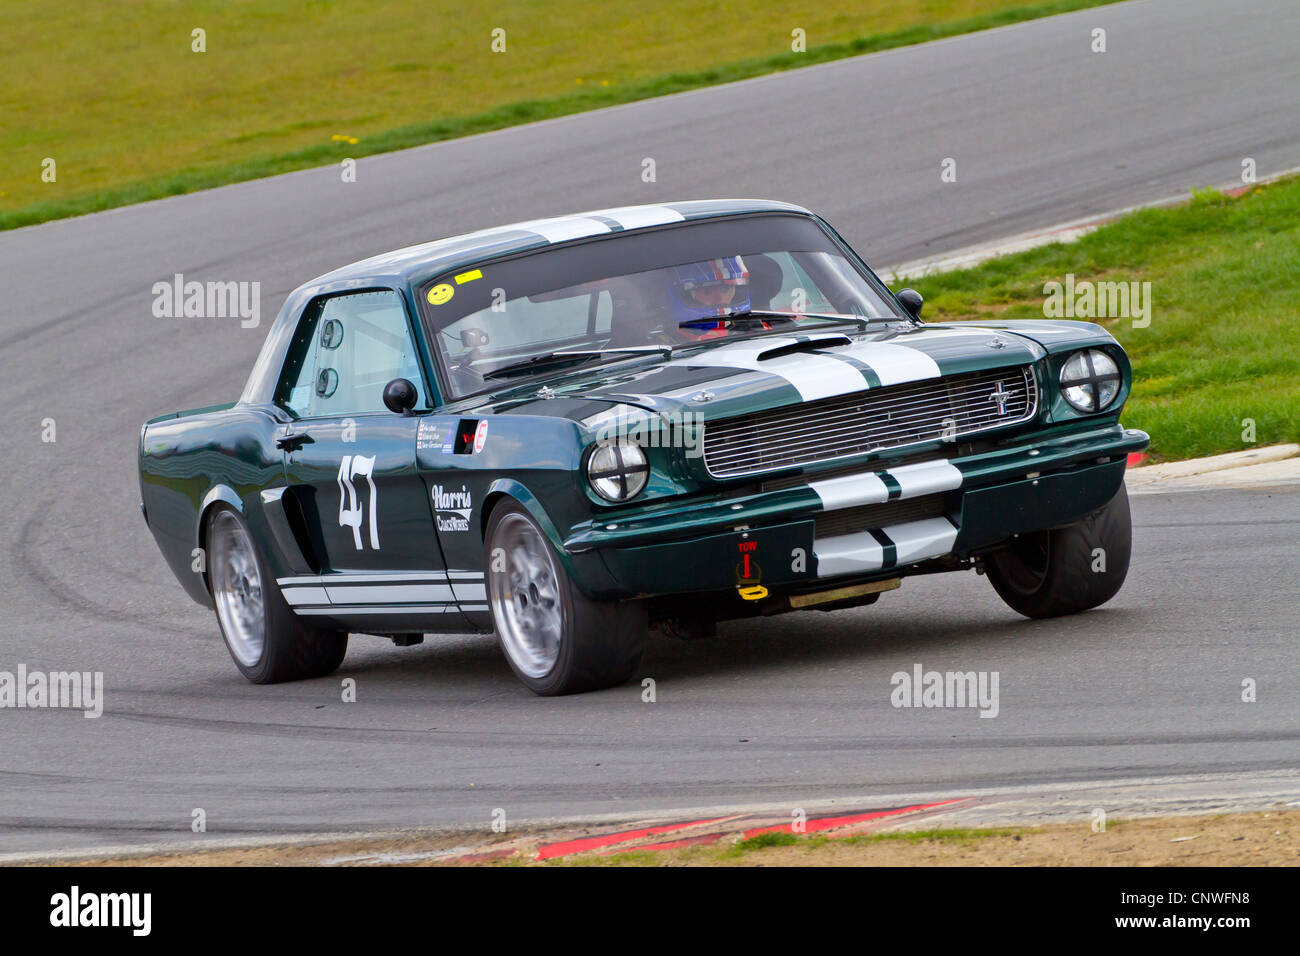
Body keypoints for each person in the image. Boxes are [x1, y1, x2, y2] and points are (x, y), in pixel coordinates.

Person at [668, 256, 754, 340]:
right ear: (685, 296)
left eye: (725, 289)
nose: (721, 299)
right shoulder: (663, 345)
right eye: (707, 291)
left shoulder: (761, 333)